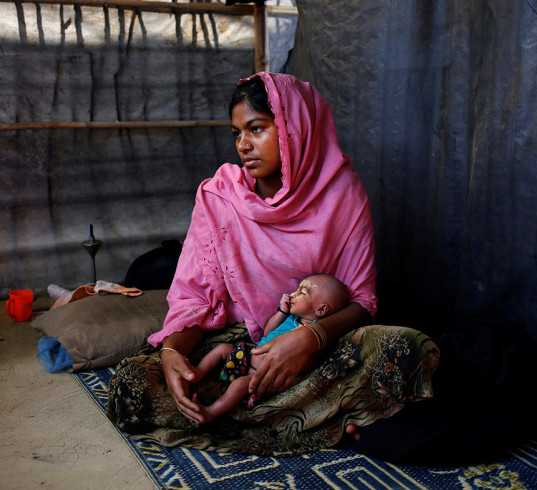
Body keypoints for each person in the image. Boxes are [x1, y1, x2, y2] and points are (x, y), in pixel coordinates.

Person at [107, 72, 439, 456]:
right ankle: (326, 417)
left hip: (316, 344)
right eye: (237, 133)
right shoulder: (219, 196)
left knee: (405, 347)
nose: (243, 145)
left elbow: (362, 302)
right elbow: (198, 299)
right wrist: (171, 354)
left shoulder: (342, 193)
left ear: (294, 128)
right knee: (132, 381)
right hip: (241, 347)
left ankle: (263, 417)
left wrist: (306, 339)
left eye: (257, 129)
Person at [186, 274, 350, 424]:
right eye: (296, 289)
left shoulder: (312, 334)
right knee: (223, 349)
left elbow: (308, 365)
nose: (293, 294)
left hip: (261, 375)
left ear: (320, 309)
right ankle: (197, 372)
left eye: (302, 293)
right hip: (248, 357)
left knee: (240, 385)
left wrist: (298, 339)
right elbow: (267, 332)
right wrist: (281, 312)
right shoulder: (291, 317)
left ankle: (211, 412)